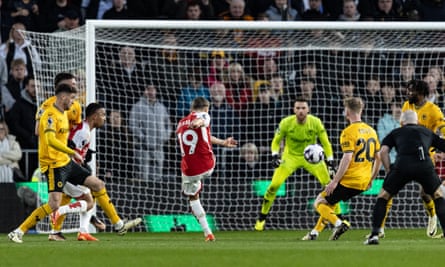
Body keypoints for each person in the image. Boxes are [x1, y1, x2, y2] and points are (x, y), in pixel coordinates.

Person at [254, 98, 336, 232]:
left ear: (308, 110)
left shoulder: (315, 122)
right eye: (298, 108)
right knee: (274, 185)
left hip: (311, 159)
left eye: (303, 108)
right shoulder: (286, 123)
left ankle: (338, 217)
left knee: (329, 186)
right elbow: (276, 141)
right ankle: (262, 217)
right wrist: (275, 155)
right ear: (294, 110)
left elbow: (326, 142)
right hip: (290, 157)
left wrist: (330, 160)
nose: (301, 111)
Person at [365, 110, 445, 245]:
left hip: (402, 166)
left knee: (383, 197)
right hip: (424, 165)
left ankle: (374, 235)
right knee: (438, 196)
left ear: (402, 122)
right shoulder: (426, 131)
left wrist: (389, 169)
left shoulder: (396, 132)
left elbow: (383, 151)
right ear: (417, 121)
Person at [377, 79, 445, 238]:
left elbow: (441, 130)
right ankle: (379, 228)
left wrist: (438, 148)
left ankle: (432, 216)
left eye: (411, 90)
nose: (408, 93)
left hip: (427, 156)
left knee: (425, 193)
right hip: (407, 155)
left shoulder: (433, 110)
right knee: (389, 189)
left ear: (421, 93)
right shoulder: (407, 106)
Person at [309, 97, 381, 241]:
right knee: (330, 203)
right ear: (361, 110)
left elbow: (347, 158)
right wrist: (371, 179)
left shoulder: (348, 132)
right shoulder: (371, 131)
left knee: (319, 202)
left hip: (349, 180)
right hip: (364, 182)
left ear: (347, 111)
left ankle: (339, 223)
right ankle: (314, 233)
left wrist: (335, 181)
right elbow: (378, 158)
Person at [176, 97, 237, 241]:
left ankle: (207, 232)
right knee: (206, 152)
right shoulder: (202, 115)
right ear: (206, 108)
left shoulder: (180, 123)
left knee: (193, 197)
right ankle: (209, 233)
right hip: (207, 166)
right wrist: (197, 123)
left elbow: (204, 135)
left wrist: (222, 142)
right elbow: (202, 121)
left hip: (189, 171)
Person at [129, 84, 172, 181]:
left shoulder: (161, 107)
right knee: (143, 178)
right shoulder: (137, 107)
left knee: (157, 178)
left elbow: (168, 124)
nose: (151, 92)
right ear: (144, 91)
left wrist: (165, 136)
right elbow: (133, 125)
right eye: (148, 89)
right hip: (143, 148)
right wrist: (142, 137)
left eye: (153, 89)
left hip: (159, 148)